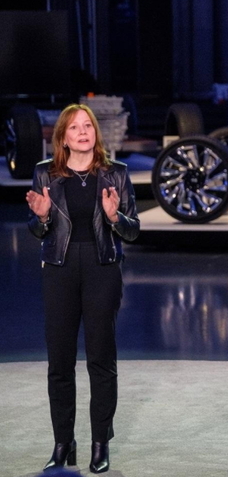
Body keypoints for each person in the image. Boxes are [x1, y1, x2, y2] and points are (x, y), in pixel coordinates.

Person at [26, 103, 140, 473]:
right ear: (63, 137)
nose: (82, 132)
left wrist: (114, 216)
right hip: (58, 269)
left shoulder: (116, 173)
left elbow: (133, 230)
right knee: (59, 361)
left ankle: (100, 443)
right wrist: (42, 216)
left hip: (101, 268)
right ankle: (63, 443)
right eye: (74, 127)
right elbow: (37, 229)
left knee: (100, 359)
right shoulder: (45, 174)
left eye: (87, 125)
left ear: (95, 132)